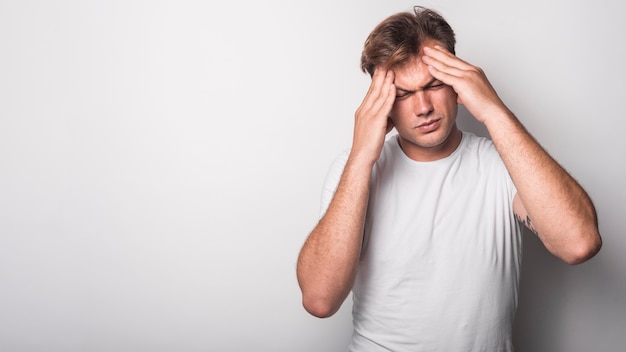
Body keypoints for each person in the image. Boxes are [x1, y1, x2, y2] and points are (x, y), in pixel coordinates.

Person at [296, 6, 602, 352]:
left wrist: (494, 111)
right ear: (380, 102)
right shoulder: (354, 170)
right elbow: (319, 299)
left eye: (435, 84)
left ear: (460, 81)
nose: (423, 106)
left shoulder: (501, 165)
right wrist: (362, 155)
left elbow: (579, 243)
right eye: (403, 94)